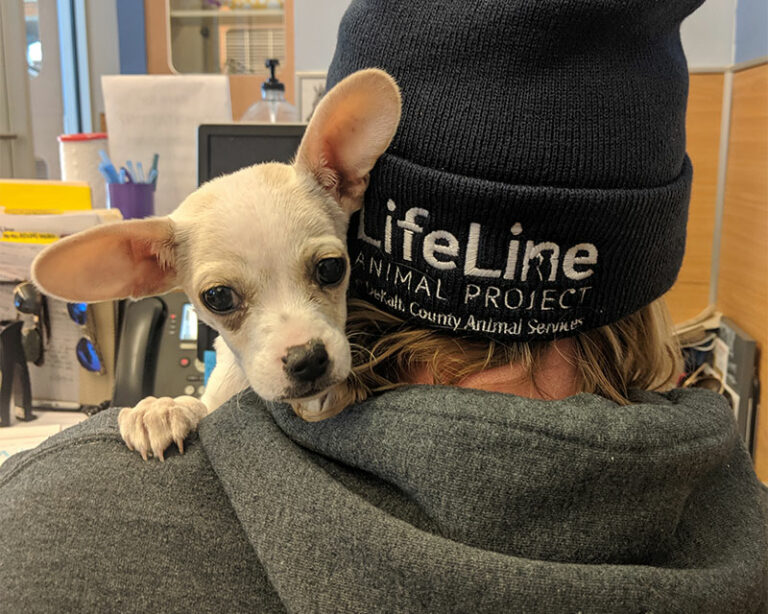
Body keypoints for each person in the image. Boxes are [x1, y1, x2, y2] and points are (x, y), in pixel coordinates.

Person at [1, 0, 766, 612]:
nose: (294, 336)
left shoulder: (45, 523)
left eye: (327, 270)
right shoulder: (740, 520)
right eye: (227, 300)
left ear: (351, 191)